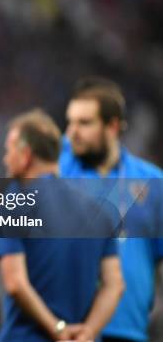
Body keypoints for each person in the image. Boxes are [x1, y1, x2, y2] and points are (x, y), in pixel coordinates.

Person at [0, 109, 125, 342]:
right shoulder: (100, 211)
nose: (5, 158)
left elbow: (15, 283)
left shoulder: (15, 200)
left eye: (9, 149)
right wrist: (88, 331)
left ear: (26, 154)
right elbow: (115, 284)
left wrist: (58, 329)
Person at [60, 77, 163, 342]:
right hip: (66, 331)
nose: (72, 132)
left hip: (130, 332)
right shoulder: (55, 174)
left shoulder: (153, 182)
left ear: (112, 126)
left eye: (84, 123)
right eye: (70, 122)